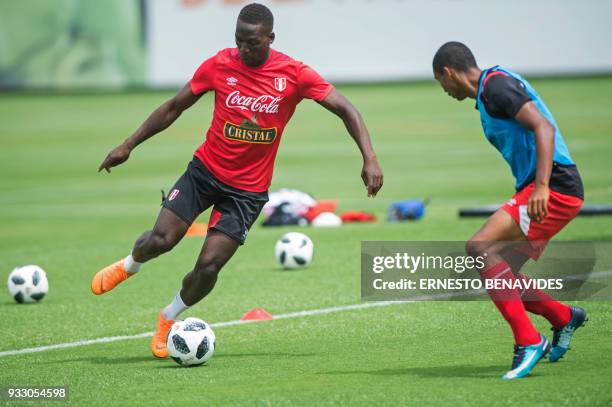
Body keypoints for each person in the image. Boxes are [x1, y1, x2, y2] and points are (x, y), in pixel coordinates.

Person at [91, 3, 383, 359]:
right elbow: (173, 107)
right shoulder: (219, 64)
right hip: (204, 173)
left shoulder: (294, 74)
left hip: (246, 193)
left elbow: (346, 109)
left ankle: (168, 317)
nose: (244, 49)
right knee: (161, 240)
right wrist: (128, 145)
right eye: (239, 41)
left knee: (209, 265)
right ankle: (129, 265)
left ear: (270, 38)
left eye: (253, 42)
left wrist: (369, 158)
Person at [432, 42, 587, 380]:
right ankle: (563, 316)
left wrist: (542, 188)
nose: (443, 90)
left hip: (555, 187)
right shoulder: (488, 93)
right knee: (504, 272)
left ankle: (529, 341)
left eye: (440, 82)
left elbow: (543, 127)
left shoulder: (496, 86)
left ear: (448, 72)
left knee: (478, 248)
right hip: (541, 188)